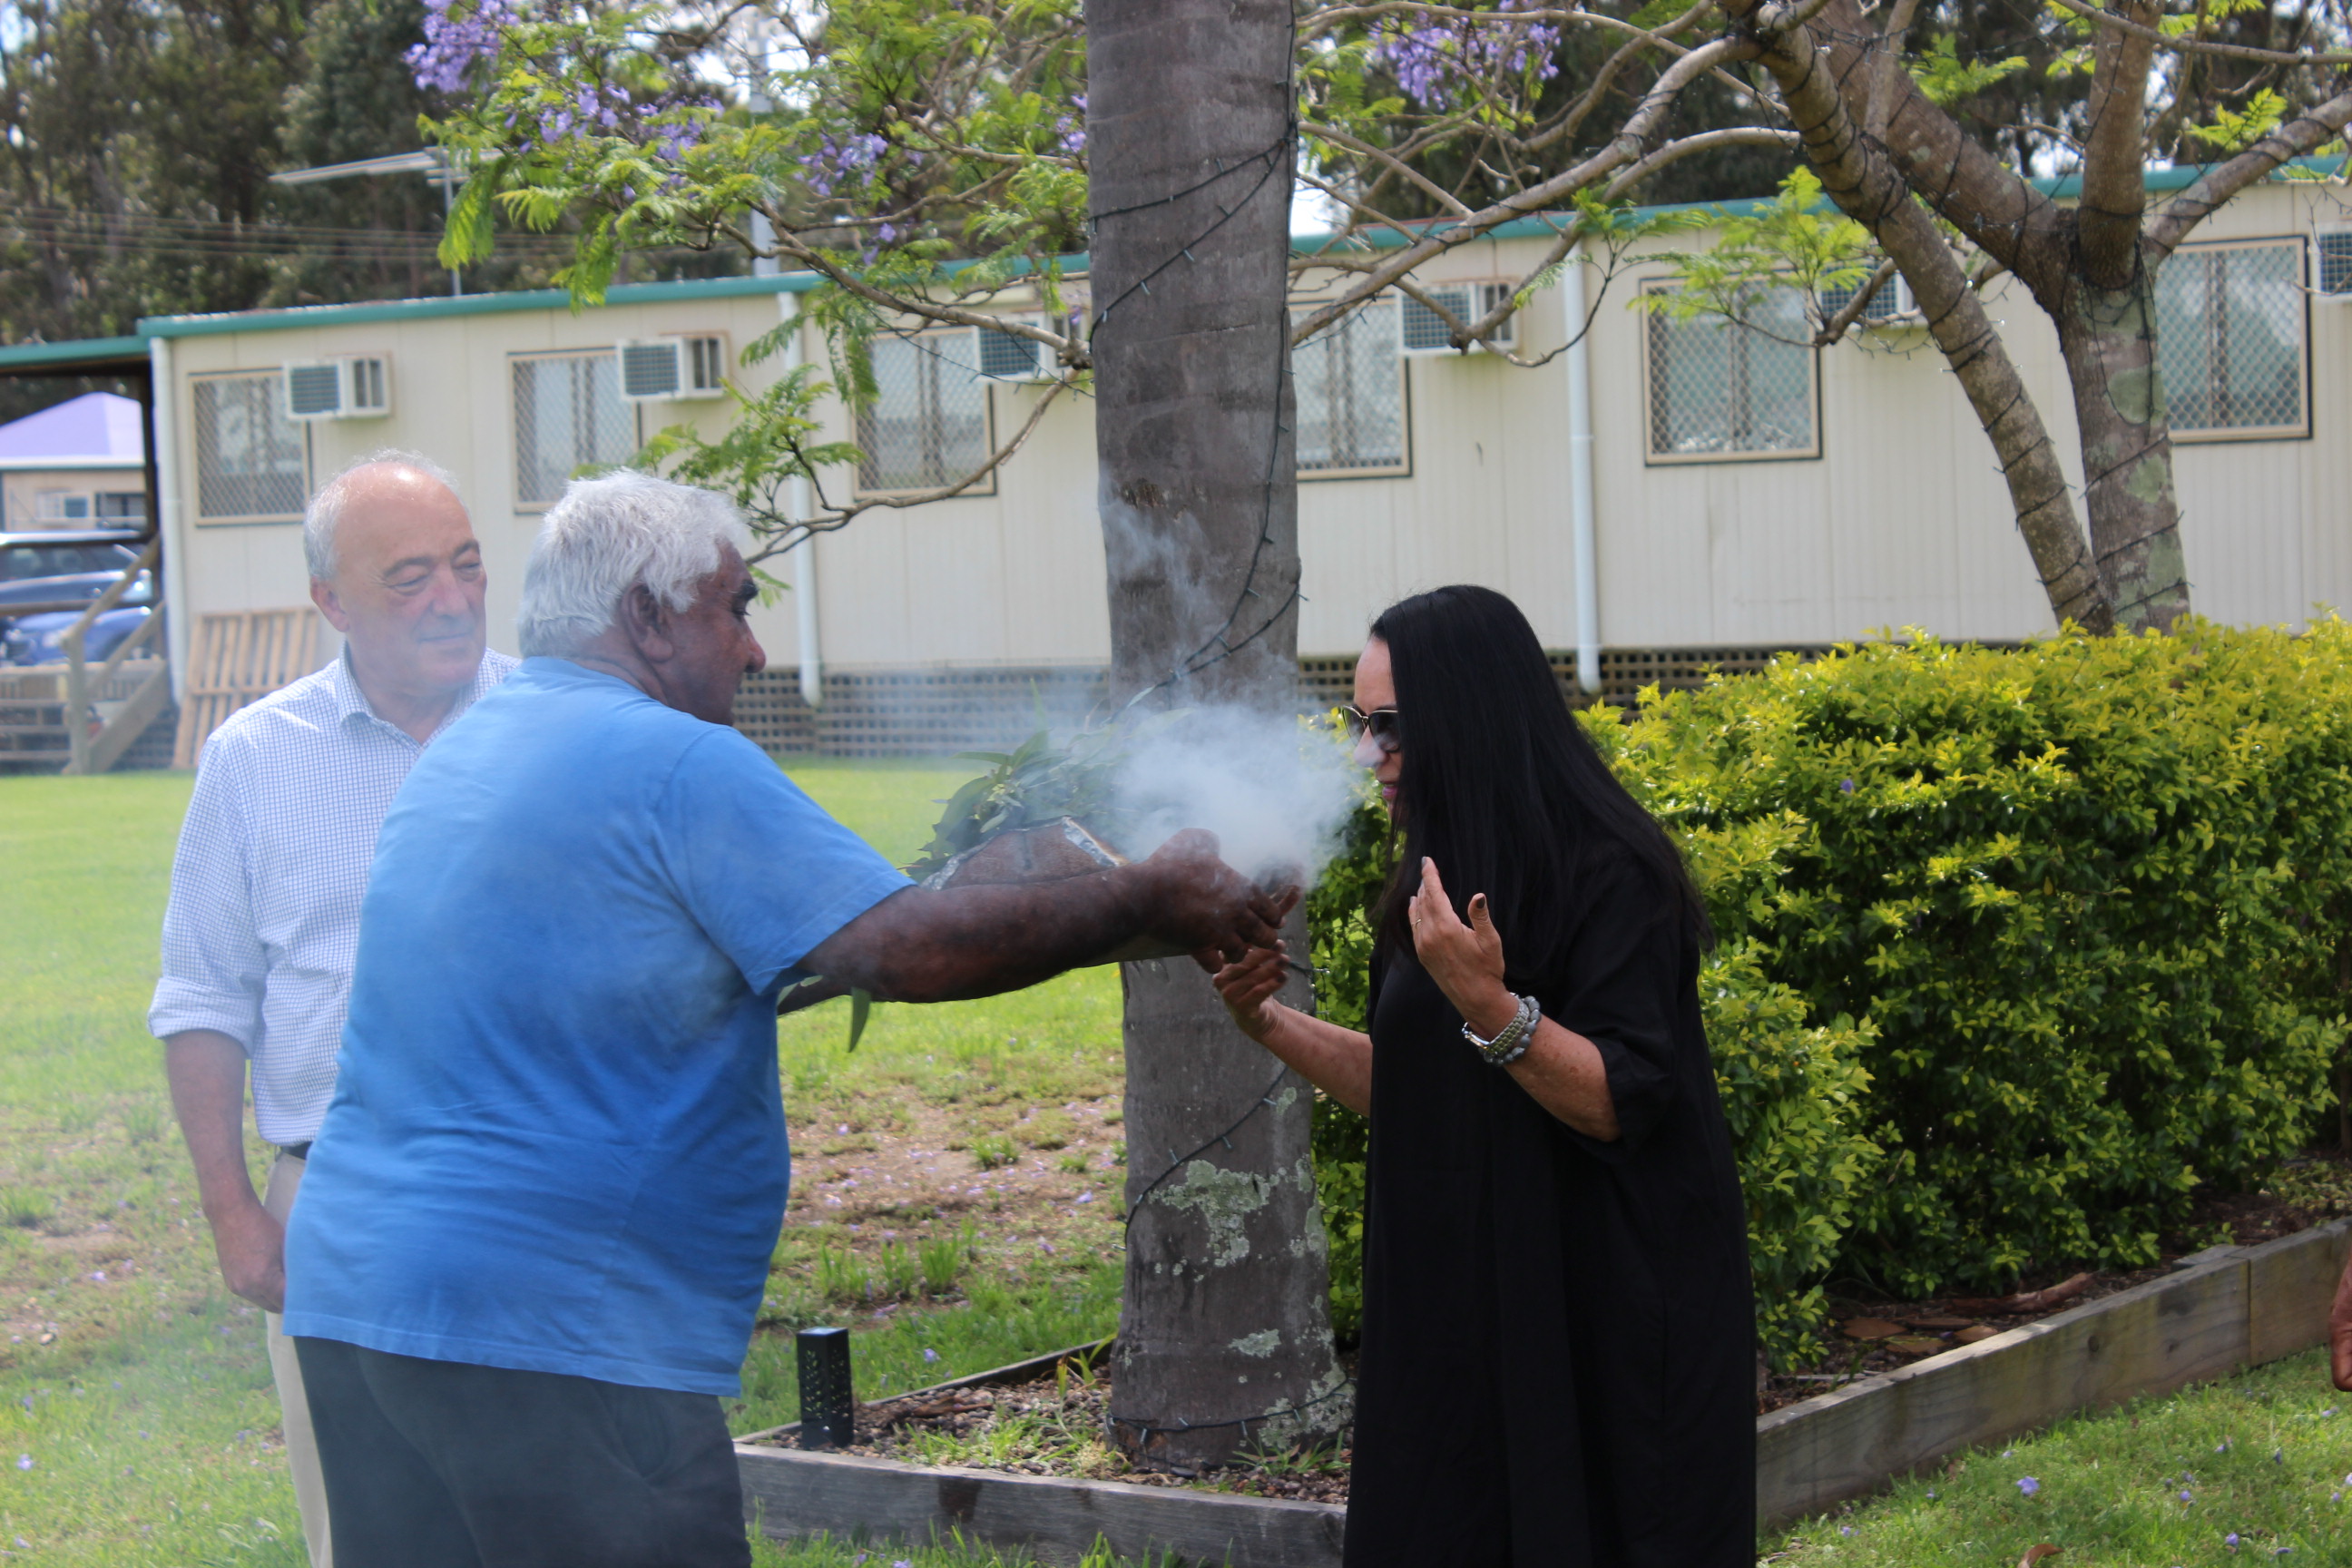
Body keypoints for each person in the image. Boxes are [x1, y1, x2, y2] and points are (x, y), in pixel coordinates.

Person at [279, 471, 1292, 1568]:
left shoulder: (473, 749)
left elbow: (766, 957)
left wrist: (1043, 884)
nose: (756, 651)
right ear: (648, 618)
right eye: (737, 606)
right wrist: (1150, 895)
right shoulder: (670, 757)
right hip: (550, 1324)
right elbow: (900, 954)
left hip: (356, 1300)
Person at [1208, 584, 1756, 1566]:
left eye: (1391, 726)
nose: (1366, 754)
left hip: (1601, 1317)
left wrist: (1492, 1007)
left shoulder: (1612, 870)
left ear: (1468, 717)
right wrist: (1266, 1020)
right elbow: (1416, 1091)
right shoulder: (1435, 870)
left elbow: (1618, 1099)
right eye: (1358, 722)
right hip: (1460, 1319)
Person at [151, 451, 515, 1568]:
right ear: (330, 602)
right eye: (408, 578)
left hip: (539, 1185)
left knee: (558, 1517)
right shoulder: (256, 759)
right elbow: (205, 994)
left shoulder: (555, 728)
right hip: (338, 1200)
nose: (449, 599)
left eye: (464, 565)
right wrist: (232, 1211)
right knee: (373, 1533)